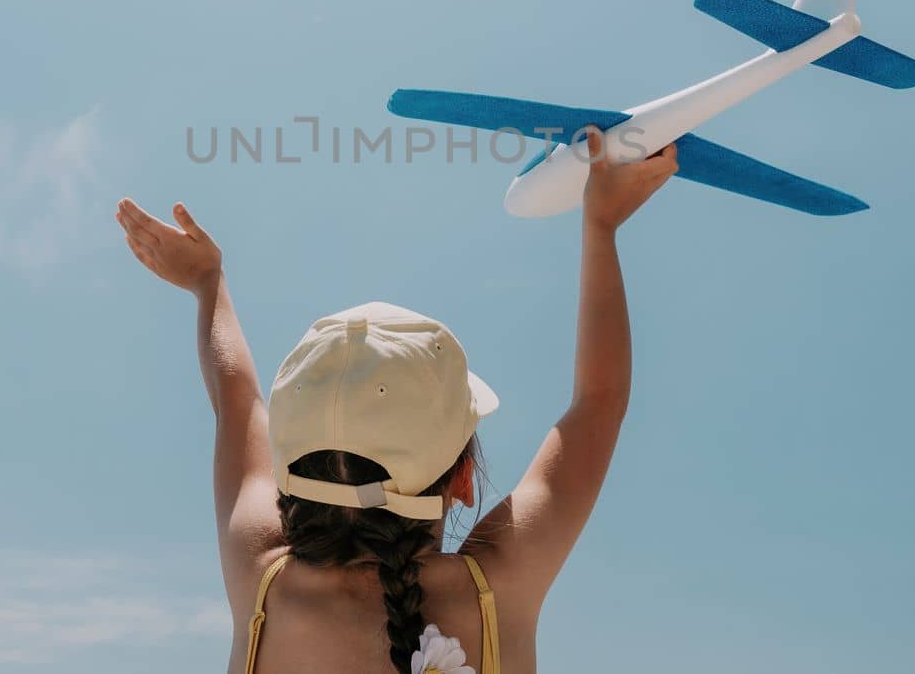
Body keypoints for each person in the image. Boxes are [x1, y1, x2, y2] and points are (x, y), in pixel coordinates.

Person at [115, 128, 677, 673]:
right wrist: (601, 225)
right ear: (461, 482)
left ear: (289, 478)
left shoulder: (263, 584)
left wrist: (207, 283)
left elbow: (236, 403)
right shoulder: (496, 586)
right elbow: (599, 401)